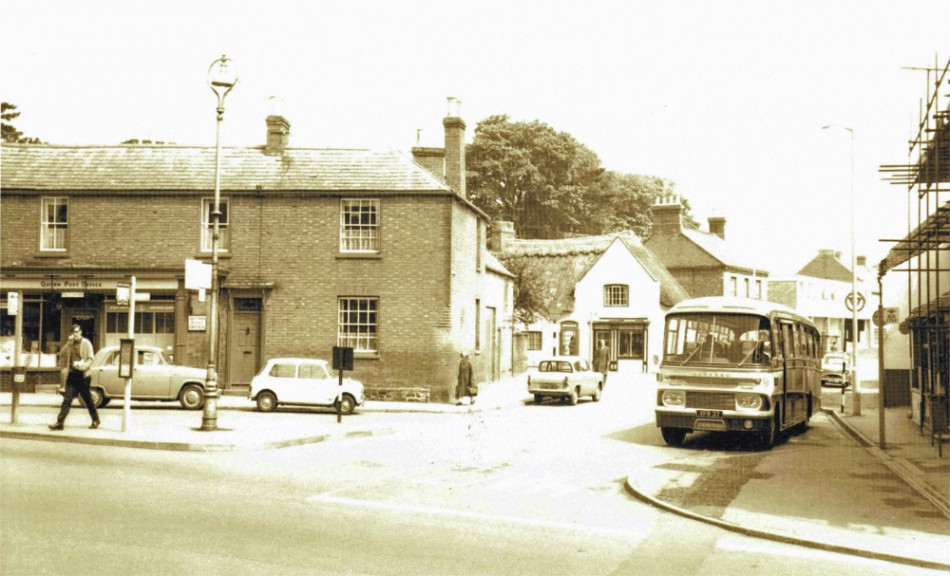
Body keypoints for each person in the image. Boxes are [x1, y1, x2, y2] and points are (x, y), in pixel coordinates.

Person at [50, 324, 99, 430]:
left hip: (83, 375)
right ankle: (60, 423)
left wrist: (84, 366)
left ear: (81, 332)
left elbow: (91, 358)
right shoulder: (70, 344)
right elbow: (62, 353)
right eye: (73, 332)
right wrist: (68, 342)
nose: (75, 334)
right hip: (72, 374)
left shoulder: (86, 343)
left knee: (87, 399)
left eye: (77, 332)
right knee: (67, 399)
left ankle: (95, 420)